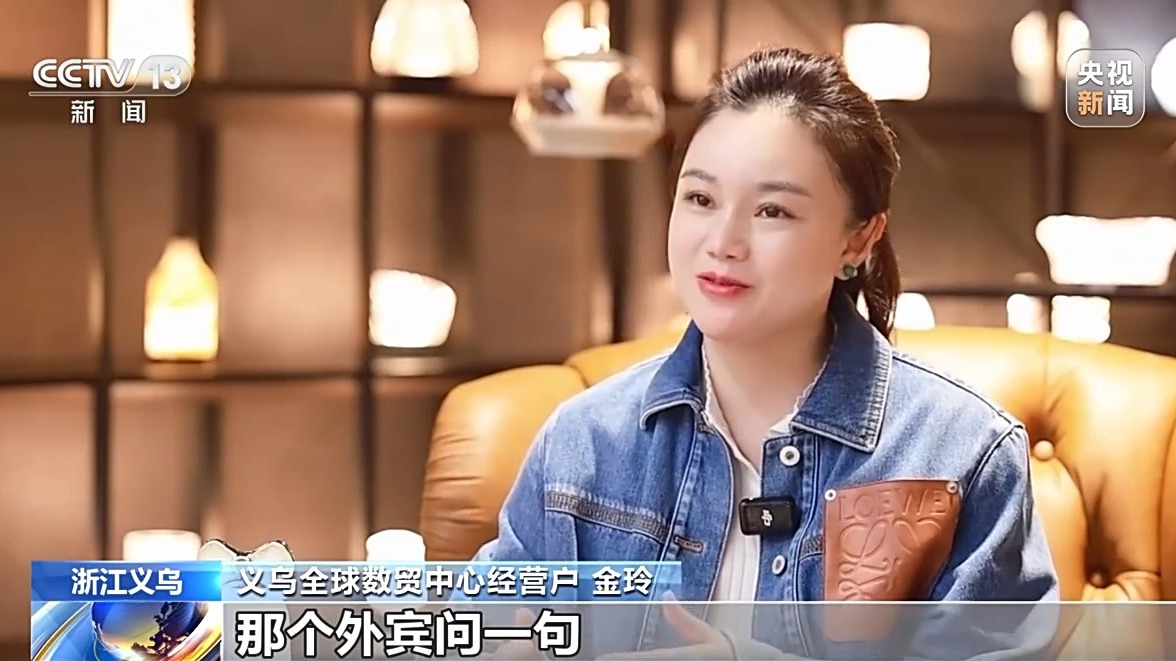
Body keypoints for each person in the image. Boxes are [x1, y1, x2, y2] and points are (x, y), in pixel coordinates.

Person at [475, 46, 1060, 660]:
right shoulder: (584, 445)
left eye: (772, 211)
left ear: (858, 240)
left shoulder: (960, 453)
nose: (723, 242)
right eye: (700, 200)